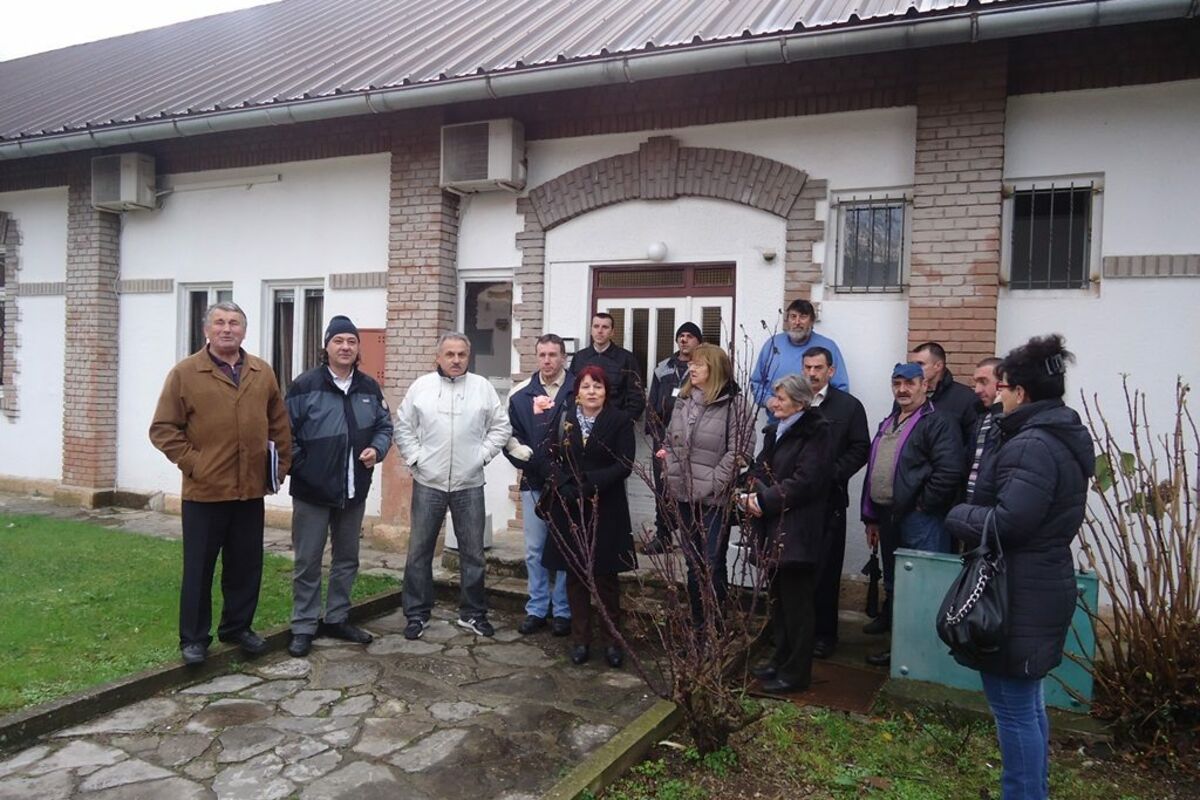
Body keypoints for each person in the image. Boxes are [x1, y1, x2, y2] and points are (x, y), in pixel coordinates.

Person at [945, 335, 1093, 800]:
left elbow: (1010, 522)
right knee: (1027, 705)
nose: (998, 396)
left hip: (1019, 590)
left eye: (1003, 387)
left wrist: (958, 515)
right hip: (1039, 582)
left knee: (1013, 710)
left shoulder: (1031, 444)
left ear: (1021, 393)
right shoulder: (1058, 436)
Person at [149, 301, 292, 665]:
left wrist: (279, 467)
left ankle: (237, 627)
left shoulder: (261, 372)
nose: (227, 329)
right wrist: (195, 464)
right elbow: (163, 429)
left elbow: (279, 423)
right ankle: (194, 639)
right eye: (220, 322)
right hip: (205, 492)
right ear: (206, 330)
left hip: (249, 490)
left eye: (234, 323)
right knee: (199, 568)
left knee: (245, 565)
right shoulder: (185, 373)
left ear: (244, 331)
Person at [284, 315, 394, 657]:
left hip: (352, 490)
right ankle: (304, 625)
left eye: (351, 341)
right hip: (312, 492)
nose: (345, 347)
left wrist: (376, 449)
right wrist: (305, 468)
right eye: (338, 341)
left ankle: (336, 618)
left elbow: (385, 426)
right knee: (308, 561)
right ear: (326, 346)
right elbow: (284, 435)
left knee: (347, 559)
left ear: (358, 348)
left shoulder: (369, 388)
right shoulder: (304, 386)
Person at [395, 332, 511, 640]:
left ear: (468, 357)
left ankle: (473, 613)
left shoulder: (482, 388)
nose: (456, 360)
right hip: (428, 482)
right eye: (449, 354)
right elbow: (403, 426)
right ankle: (417, 614)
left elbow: (501, 427)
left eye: (461, 354)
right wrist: (416, 459)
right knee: (419, 551)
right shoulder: (421, 387)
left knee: (473, 553)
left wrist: (481, 456)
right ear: (438, 357)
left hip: (468, 483)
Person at [860, 362, 963, 666]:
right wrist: (871, 517)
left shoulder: (938, 422)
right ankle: (902, 652)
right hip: (888, 517)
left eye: (909, 383)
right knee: (897, 586)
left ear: (924, 386)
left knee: (923, 587)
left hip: (922, 520)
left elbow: (949, 470)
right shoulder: (889, 422)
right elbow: (875, 468)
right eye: (897, 383)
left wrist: (922, 505)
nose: (902, 390)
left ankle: (925, 658)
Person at [742, 374, 834, 693]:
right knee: (778, 601)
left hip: (798, 528)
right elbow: (760, 468)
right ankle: (780, 659)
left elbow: (806, 482)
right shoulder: (775, 431)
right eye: (775, 396)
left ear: (800, 402)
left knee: (797, 606)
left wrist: (764, 501)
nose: (774, 403)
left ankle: (796, 673)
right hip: (774, 526)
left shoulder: (816, 432)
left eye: (781, 398)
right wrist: (751, 491)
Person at [541, 365, 637, 668]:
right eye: (586, 386)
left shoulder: (619, 420)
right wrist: (565, 484)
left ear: (606, 391)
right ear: (577, 392)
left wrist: (590, 483)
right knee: (575, 577)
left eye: (598, 386)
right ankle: (580, 640)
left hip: (605, 505)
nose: (592, 391)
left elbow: (624, 464)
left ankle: (612, 642)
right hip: (569, 505)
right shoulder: (564, 418)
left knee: (605, 579)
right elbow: (548, 456)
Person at [661, 343, 754, 625]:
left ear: (715, 369)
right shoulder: (684, 399)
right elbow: (669, 440)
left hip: (714, 498)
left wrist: (713, 482)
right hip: (683, 494)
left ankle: (715, 627)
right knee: (692, 565)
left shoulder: (734, 404)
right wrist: (669, 470)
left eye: (698, 364)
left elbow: (740, 451)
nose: (691, 368)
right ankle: (699, 626)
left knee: (711, 563)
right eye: (691, 363)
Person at [801, 347, 870, 659]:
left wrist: (834, 474)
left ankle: (824, 635)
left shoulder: (848, 406)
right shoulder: (795, 400)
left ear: (831, 371)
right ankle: (793, 632)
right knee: (795, 569)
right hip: (795, 501)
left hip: (829, 500)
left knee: (826, 570)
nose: (812, 373)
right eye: (807, 367)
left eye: (818, 368)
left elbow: (860, 448)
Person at [504, 333, 575, 638]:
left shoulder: (578, 389)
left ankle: (562, 610)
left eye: (553, 355)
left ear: (563, 357)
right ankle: (536, 608)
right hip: (534, 482)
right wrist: (528, 460)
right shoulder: (521, 394)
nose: (547, 361)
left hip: (569, 485)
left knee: (564, 549)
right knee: (534, 550)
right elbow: (510, 437)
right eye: (542, 355)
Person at [643, 321, 704, 555]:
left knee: (691, 487)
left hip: (693, 439)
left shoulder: (702, 367)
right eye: (681, 336)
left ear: (698, 341)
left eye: (689, 336)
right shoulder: (663, 368)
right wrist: (655, 432)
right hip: (664, 438)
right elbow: (652, 401)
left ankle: (694, 538)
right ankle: (663, 536)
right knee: (663, 487)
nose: (684, 339)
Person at [750, 298, 849, 408]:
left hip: (817, 416)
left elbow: (841, 388)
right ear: (787, 320)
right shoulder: (773, 345)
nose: (797, 322)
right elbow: (756, 383)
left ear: (812, 321)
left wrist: (825, 411)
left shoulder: (828, 346)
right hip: (779, 416)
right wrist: (769, 401)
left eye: (803, 317)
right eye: (793, 317)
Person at [569, 312, 646, 421]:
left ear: (612, 332)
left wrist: (624, 420)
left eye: (605, 327)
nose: (600, 331)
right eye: (596, 326)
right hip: (583, 422)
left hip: (616, 423)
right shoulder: (579, 357)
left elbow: (637, 397)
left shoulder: (626, 359)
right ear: (591, 330)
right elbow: (571, 391)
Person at [910, 342, 979, 449]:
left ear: (938, 366)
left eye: (920, 364)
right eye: (912, 365)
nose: (914, 369)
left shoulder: (965, 398)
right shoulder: (907, 395)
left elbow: (972, 441)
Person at [966, 356, 1004, 503]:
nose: (977, 390)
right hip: (972, 507)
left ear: (1002, 383)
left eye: (983, 382)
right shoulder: (981, 417)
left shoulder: (1013, 420)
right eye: (976, 382)